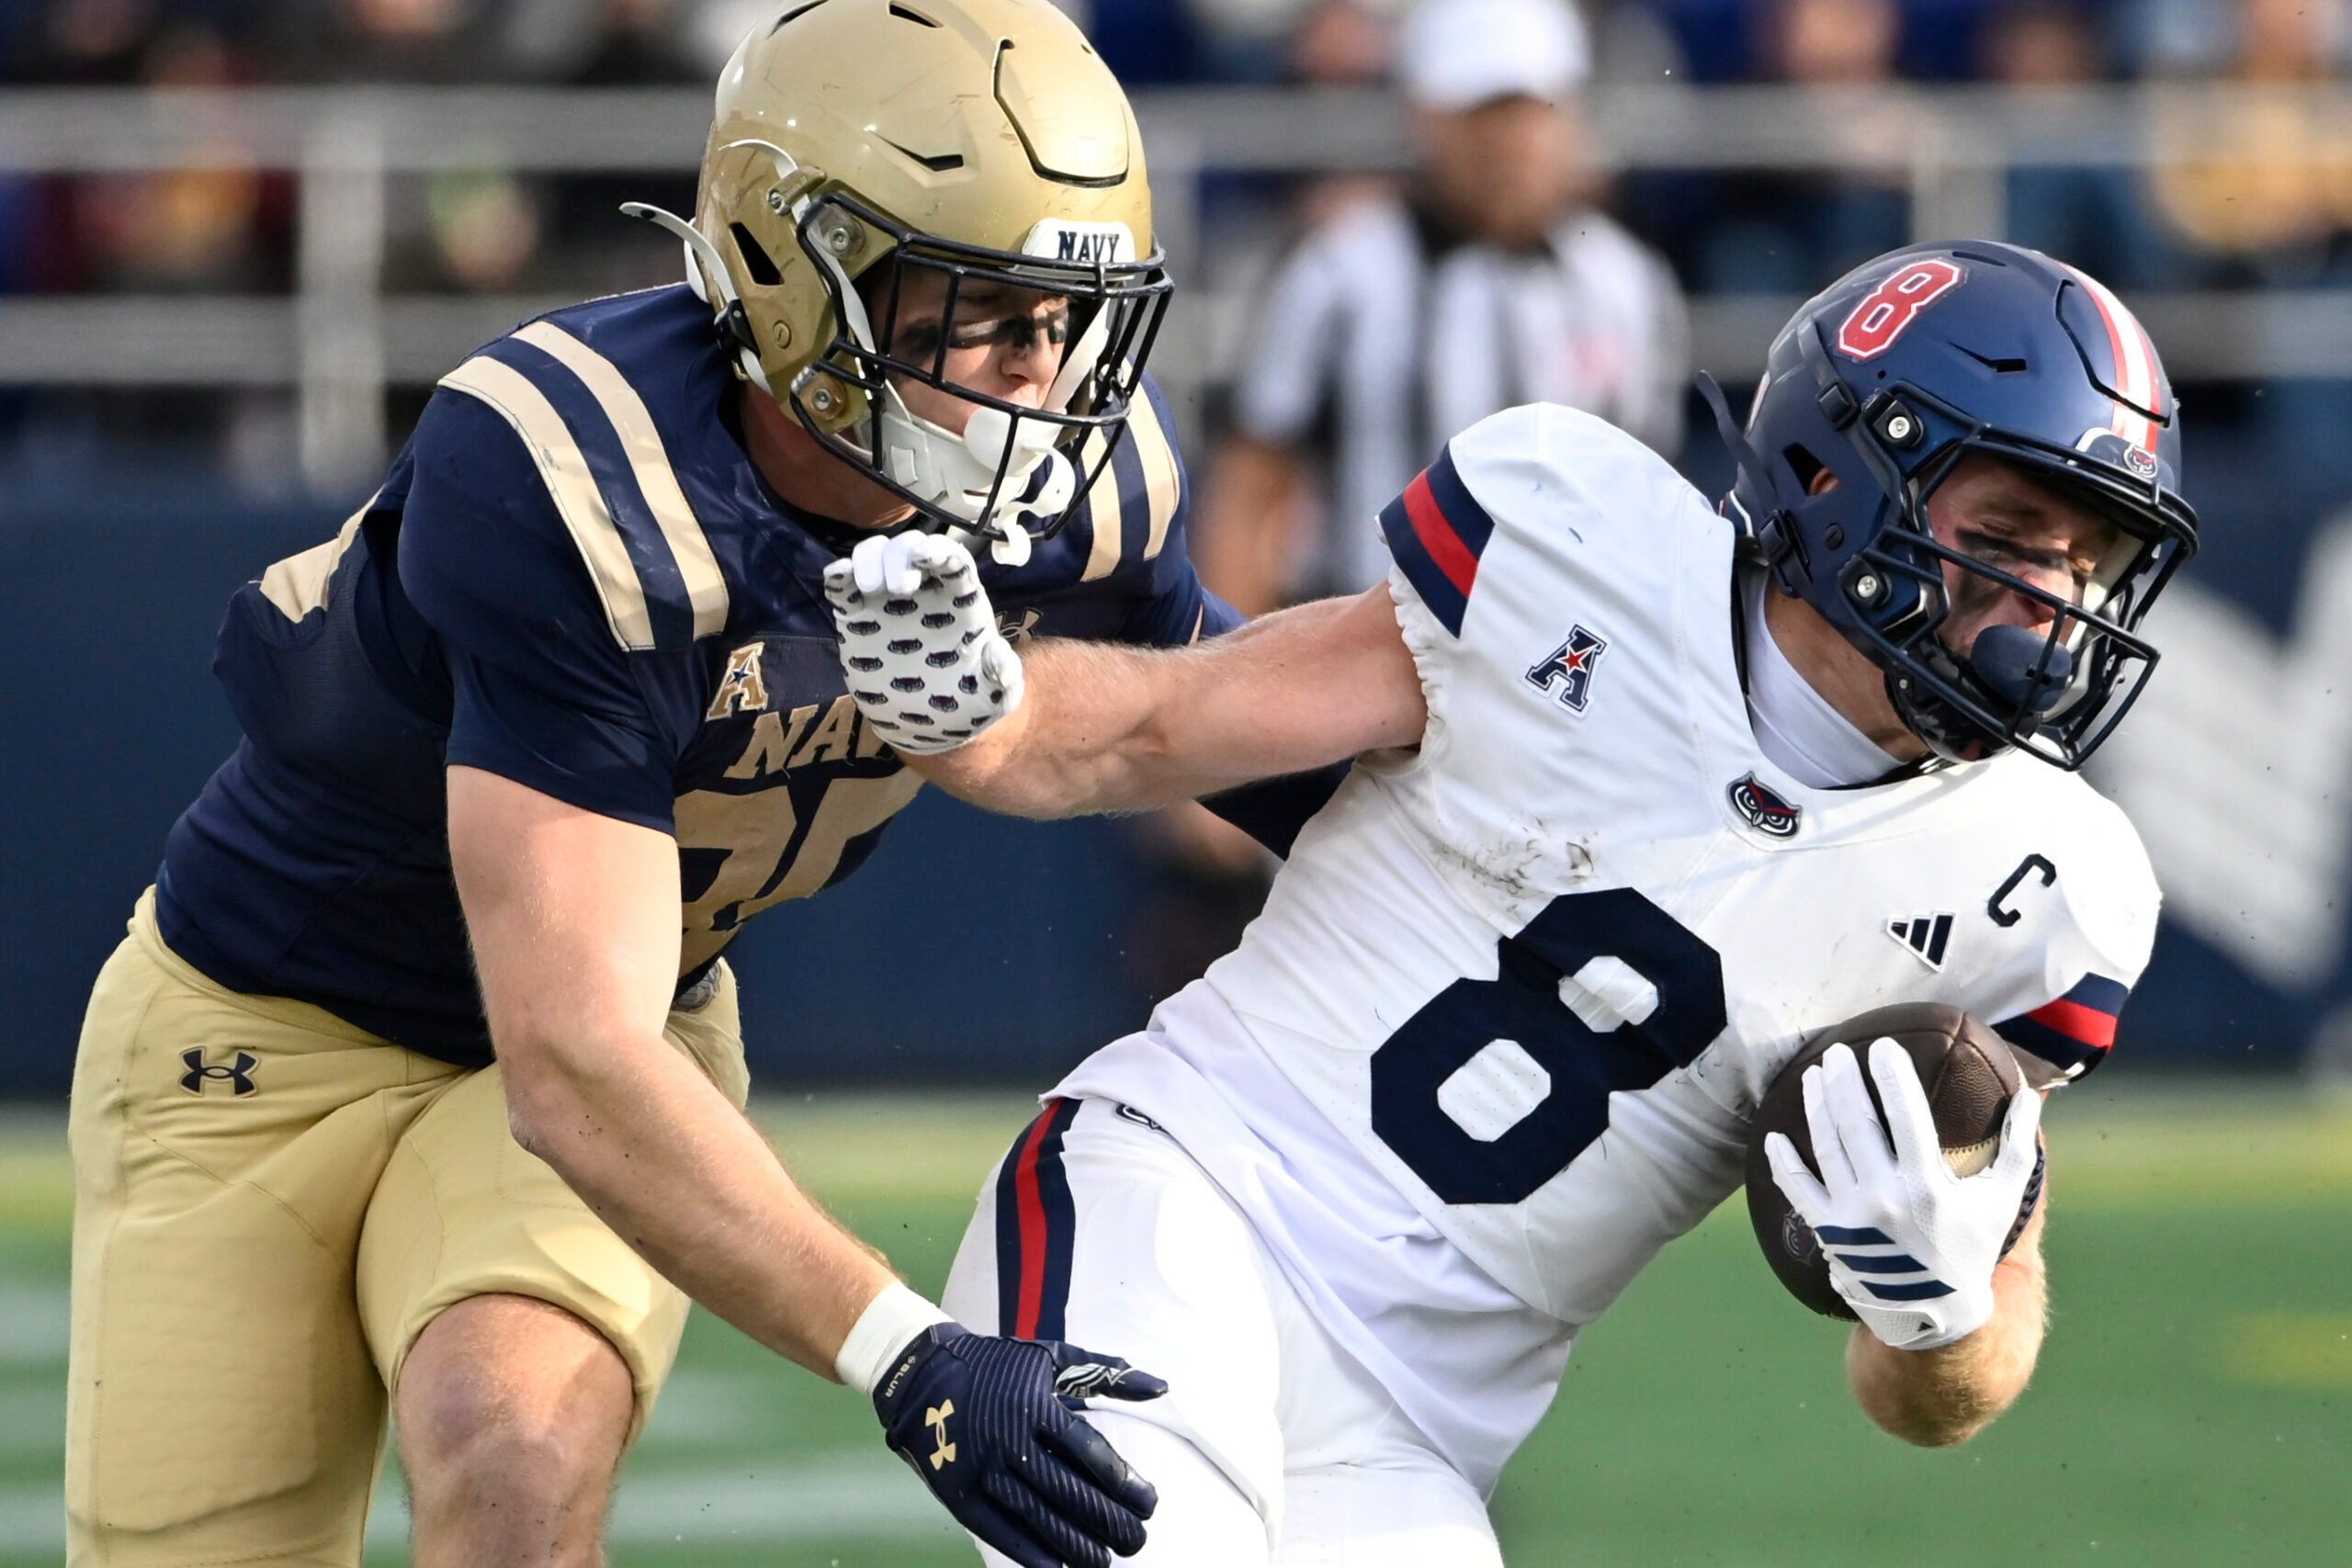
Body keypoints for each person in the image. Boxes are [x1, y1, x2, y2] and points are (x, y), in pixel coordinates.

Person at [64, 3, 1326, 1564]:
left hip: (617, 1024)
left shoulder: (1075, 483)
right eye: (982, 311)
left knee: (512, 1452)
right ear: (805, 278)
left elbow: (1222, 728)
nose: (1040, 372)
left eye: (1062, 317)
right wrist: (909, 1351)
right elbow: (569, 1055)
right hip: (265, 1034)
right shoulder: (574, 468)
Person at [822, 241, 2199, 1562]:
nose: (2050, 604)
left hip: (1412, 1428)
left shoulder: (2039, 884)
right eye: (2008, 534)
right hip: (1183, 1202)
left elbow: (1943, 1386)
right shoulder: (1575, 543)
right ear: (1837, 474)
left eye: (2085, 562)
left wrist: (1939, 1312)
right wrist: (985, 706)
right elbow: (1157, 728)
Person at [1193, 0, 1687, 617]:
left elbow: (1647, 503)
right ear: (1424, 116)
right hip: (1361, 646)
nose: (1508, 142)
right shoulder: (1340, 269)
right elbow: (1251, 483)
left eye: (1528, 111)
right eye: (1479, 114)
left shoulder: (1623, 282)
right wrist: (1234, 652)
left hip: (1567, 652)